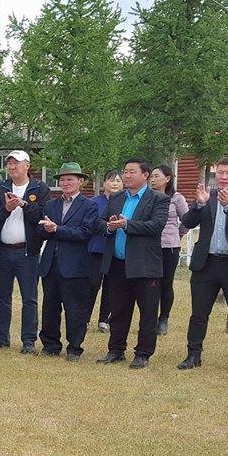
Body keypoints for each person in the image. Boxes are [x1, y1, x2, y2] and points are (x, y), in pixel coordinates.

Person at [96, 158, 169, 369]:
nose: (126, 176)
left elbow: (156, 226)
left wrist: (127, 224)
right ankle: (116, 350)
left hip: (144, 266)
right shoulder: (117, 198)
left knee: (147, 312)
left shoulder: (158, 199)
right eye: (125, 171)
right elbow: (101, 221)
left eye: (131, 172)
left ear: (145, 175)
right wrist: (110, 227)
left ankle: (143, 353)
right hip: (118, 264)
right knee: (118, 310)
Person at [177, 156, 228, 375]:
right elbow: (187, 223)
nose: (223, 177)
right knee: (199, 313)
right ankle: (193, 355)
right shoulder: (208, 196)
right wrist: (199, 204)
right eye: (220, 172)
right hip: (206, 263)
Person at [36, 163, 99, 360]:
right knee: (50, 307)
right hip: (50, 264)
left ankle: (74, 347)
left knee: (75, 309)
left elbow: (86, 233)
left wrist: (57, 230)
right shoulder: (50, 205)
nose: (65, 183)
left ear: (80, 181)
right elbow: (39, 231)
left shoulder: (90, 205)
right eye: (62, 179)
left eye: (70, 179)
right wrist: (45, 229)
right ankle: (50, 345)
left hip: (75, 265)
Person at [0, 149, 50, 353]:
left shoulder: (39, 188)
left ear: (27, 165)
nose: (12, 167)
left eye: (16, 163)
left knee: (29, 298)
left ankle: (28, 340)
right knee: (2, 296)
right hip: (3, 250)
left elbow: (41, 215)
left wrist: (24, 204)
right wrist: (7, 208)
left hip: (28, 251)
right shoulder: (1, 188)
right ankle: (1, 337)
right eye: (9, 163)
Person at [149, 164, 189, 336]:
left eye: (157, 176)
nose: (153, 179)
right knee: (149, 284)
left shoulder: (176, 198)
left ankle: (163, 319)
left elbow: (187, 220)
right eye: (151, 176)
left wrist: (177, 235)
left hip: (169, 247)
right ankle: (149, 319)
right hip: (149, 246)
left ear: (167, 178)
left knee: (166, 284)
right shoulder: (147, 197)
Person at [86, 170, 122, 332]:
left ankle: (104, 319)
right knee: (93, 284)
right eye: (111, 180)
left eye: (118, 180)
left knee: (112, 286)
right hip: (97, 248)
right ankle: (85, 318)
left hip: (115, 251)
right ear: (104, 183)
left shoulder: (125, 201)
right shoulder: (94, 202)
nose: (114, 183)